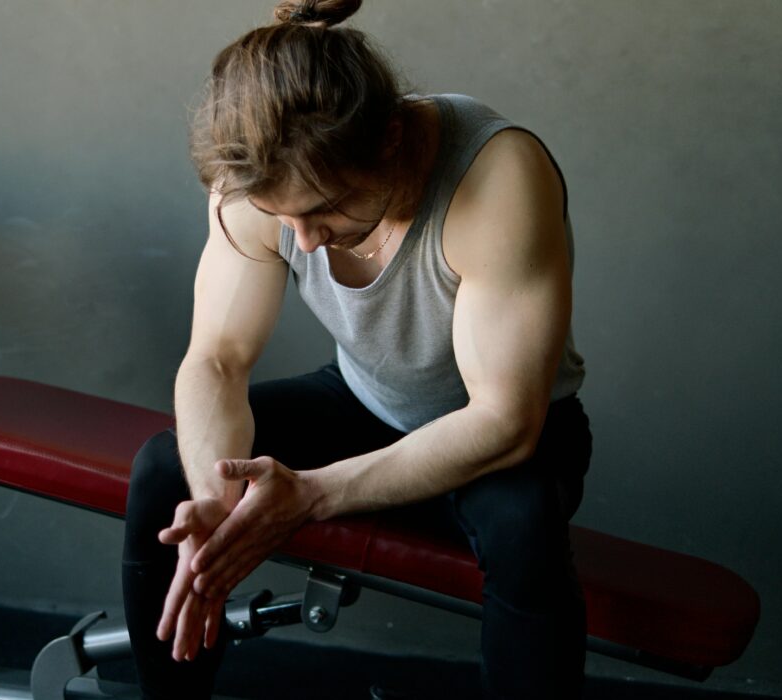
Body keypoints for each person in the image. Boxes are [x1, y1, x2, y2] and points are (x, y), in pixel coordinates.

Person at [121, 0, 592, 697]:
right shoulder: (254, 180)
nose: (303, 241)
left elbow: (504, 421)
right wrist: (218, 505)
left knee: (525, 526)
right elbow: (217, 359)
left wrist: (308, 495)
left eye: (326, 209)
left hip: (509, 437)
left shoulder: (495, 179)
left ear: (391, 138)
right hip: (368, 401)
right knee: (169, 468)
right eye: (284, 219)